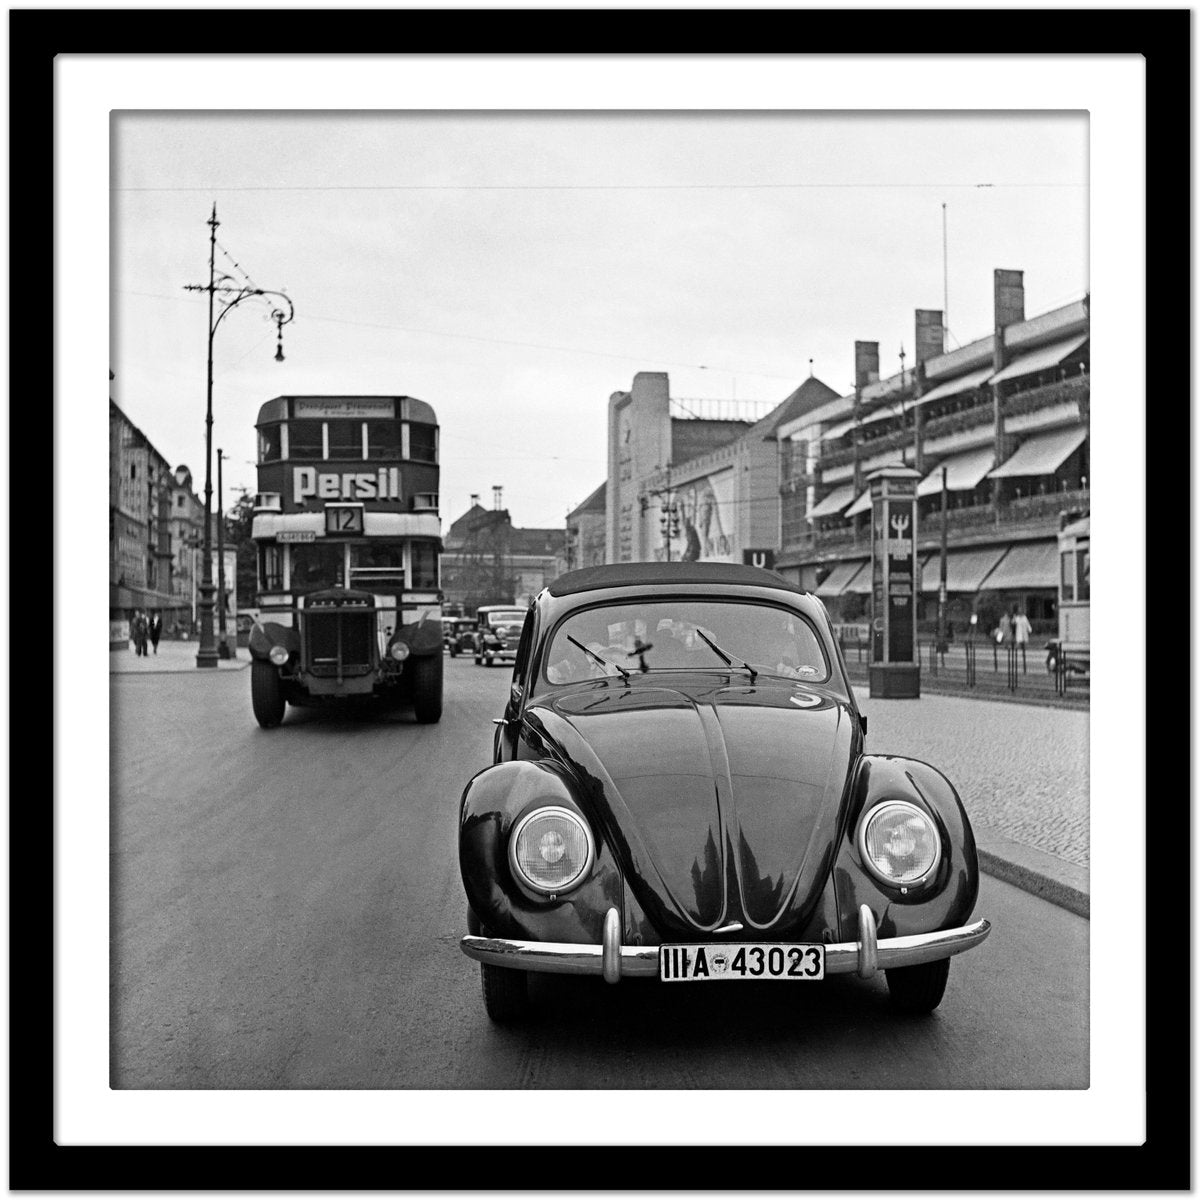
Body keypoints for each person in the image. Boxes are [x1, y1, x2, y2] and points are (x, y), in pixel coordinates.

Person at [1011, 605, 1032, 673]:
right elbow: (1013, 622)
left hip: (1024, 635)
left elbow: (1027, 624)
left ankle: (1024, 658)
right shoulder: (1017, 618)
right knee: (1018, 646)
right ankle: (1016, 658)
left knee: (1024, 647)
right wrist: (1013, 618)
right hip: (1019, 635)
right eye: (1019, 611)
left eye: (1021, 611)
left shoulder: (1024, 618)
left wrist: (1029, 629)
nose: (1020, 612)